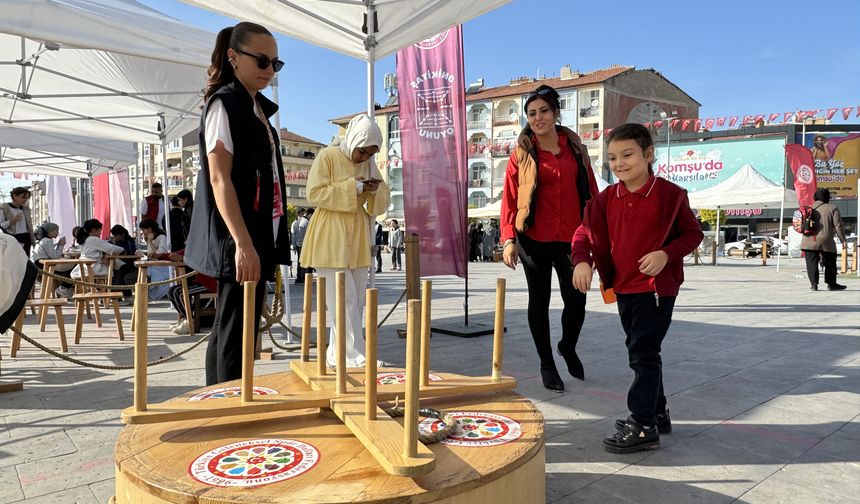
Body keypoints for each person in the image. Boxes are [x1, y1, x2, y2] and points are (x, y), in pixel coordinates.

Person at [571, 123, 703, 454]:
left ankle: (643, 424)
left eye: (627, 154)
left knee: (642, 353)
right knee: (642, 349)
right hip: (624, 288)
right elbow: (583, 234)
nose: (619, 163)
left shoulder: (670, 195)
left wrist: (666, 254)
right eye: (613, 157)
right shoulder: (604, 200)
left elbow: (692, 234)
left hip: (657, 290)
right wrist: (582, 261)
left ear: (647, 154)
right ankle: (657, 412)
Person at [184, 21, 290, 386]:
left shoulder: (256, 108)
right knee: (234, 328)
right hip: (238, 236)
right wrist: (243, 244)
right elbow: (218, 178)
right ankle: (227, 407)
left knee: (242, 327)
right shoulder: (224, 104)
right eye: (262, 60)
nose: (268, 70)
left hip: (258, 231)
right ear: (233, 57)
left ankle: (231, 401)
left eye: (275, 63)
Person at [500, 84, 599, 392]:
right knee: (538, 301)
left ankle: (567, 346)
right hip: (533, 238)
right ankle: (546, 362)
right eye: (532, 113)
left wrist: (598, 233)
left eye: (544, 111)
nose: (538, 118)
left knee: (576, 301)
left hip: (573, 239)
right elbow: (510, 198)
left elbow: (593, 193)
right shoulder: (521, 153)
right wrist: (508, 240)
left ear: (556, 113)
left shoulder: (576, 149)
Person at [300, 114, 390, 368]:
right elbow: (314, 193)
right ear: (354, 141)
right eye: (363, 152)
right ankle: (352, 356)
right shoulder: (327, 156)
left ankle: (339, 354)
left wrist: (373, 189)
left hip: (358, 236)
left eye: (370, 154)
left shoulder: (370, 165)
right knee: (342, 299)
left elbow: (384, 197)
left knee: (356, 300)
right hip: (331, 235)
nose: (364, 158)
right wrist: (356, 188)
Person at [74, 219, 136, 302]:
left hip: (84, 268)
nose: (100, 233)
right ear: (93, 230)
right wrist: (123, 250)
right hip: (93, 268)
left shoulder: (84, 239)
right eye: (100, 230)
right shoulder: (93, 239)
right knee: (116, 271)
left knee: (115, 267)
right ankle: (116, 298)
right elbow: (111, 248)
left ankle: (105, 295)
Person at [801, 188, 847, 291]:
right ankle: (831, 284)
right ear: (827, 197)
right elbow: (838, 226)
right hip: (826, 240)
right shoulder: (833, 208)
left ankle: (814, 285)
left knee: (811, 263)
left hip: (808, 240)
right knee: (830, 261)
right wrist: (843, 240)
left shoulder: (808, 208)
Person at [32, 222, 74, 297]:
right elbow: (55, 256)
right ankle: (62, 289)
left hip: (39, 264)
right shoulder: (48, 241)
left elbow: (51, 253)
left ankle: (61, 288)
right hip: (44, 266)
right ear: (50, 232)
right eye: (56, 231)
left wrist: (58, 245)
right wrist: (61, 245)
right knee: (72, 268)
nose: (57, 233)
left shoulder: (43, 240)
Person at [139, 218, 171, 300]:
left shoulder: (161, 237)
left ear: (149, 229)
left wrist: (150, 242)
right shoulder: (151, 237)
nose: (143, 232)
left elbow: (160, 254)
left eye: (143, 230)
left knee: (147, 273)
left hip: (161, 266)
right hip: (153, 264)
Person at [1, 187, 36, 257]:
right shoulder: (4, 208)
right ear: (14, 196)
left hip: (26, 238)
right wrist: (11, 221)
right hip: (12, 238)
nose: (25, 200)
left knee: (25, 260)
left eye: (27, 198)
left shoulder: (26, 209)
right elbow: (1, 226)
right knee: (13, 260)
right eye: (23, 197)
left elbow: (29, 226)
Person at [291, 208, 308, 282]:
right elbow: (294, 235)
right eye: (303, 213)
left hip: (298, 244)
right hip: (302, 244)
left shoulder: (295, 222)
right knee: (302, 261)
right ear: (300, 213)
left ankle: (299, 276)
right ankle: (301, 276)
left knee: (300, 261)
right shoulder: (303, 222)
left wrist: (294, 245)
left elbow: (293, 235)